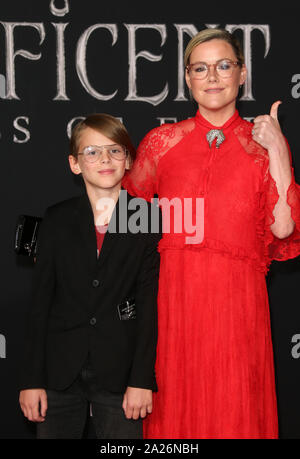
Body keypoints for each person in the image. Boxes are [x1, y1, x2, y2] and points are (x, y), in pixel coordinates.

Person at [122, 28, 300, 439]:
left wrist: (278, 150)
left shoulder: (263, 147)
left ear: (242, 75)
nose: (213, 77)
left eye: (224, 66)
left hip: (237, 308)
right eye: (201, 68)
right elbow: (127, 227)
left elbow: (284, 227)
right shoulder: (160, 143)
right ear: (188, 78)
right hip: (172, 306)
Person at [18, 113, 161, 439]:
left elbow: (149, 304)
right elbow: (40, 304)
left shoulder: (146, 219)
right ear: (75, 163)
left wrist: (141, 379)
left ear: (128, 160)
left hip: (120, 374)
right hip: (59, 372)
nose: (105, 159)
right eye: (92, 152)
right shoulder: (57, 218)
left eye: (114, 150)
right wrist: (31, 379)